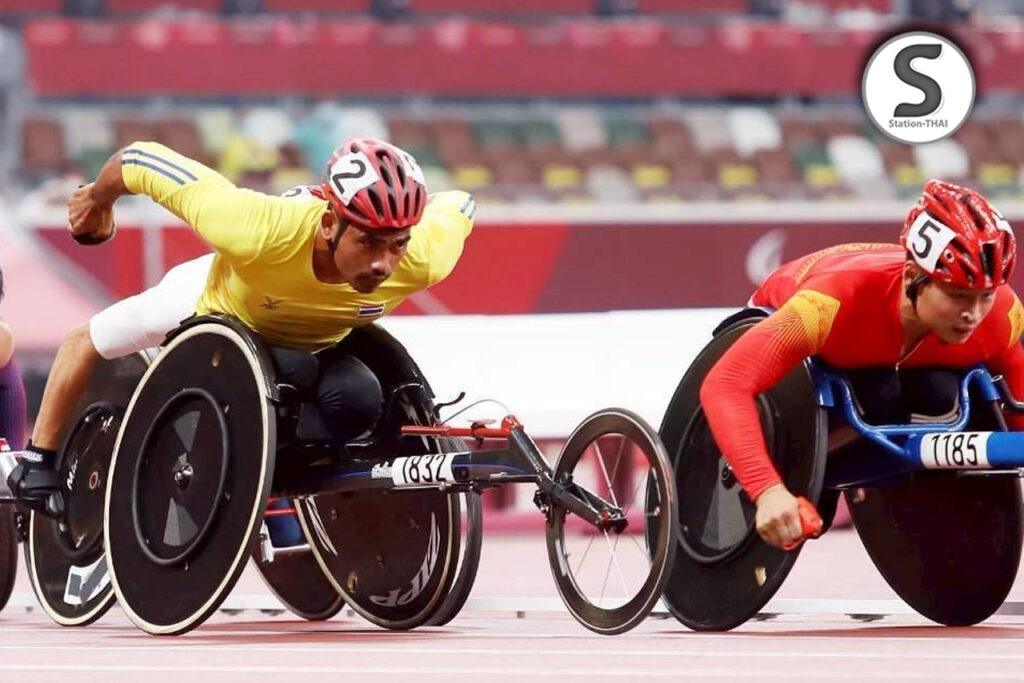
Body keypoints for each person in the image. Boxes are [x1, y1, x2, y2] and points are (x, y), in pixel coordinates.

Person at [7, 138, 476, 515]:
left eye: (397, 244)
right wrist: (97, 200)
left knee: (358, 398)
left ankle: (281, 468)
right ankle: (38, 457)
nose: (382, 264)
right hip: (215, 308)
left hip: (311, 346)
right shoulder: (257, 229)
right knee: (92, 338)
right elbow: (141, 159)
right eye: (368, 242)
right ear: (330, 224)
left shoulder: (425, 256)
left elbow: (460, 203)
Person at [700, 180, 1024, 549]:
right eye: (958, 295)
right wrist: (766, 489)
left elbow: (1019, 407)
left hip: (888, 361)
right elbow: (725, 384)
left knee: (939, 394)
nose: (974, 314)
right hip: (811, 332)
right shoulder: (827, 307)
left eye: (985, 295)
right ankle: (811, 465)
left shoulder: (1003, 316)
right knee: (879, 394)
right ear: (912, 278)